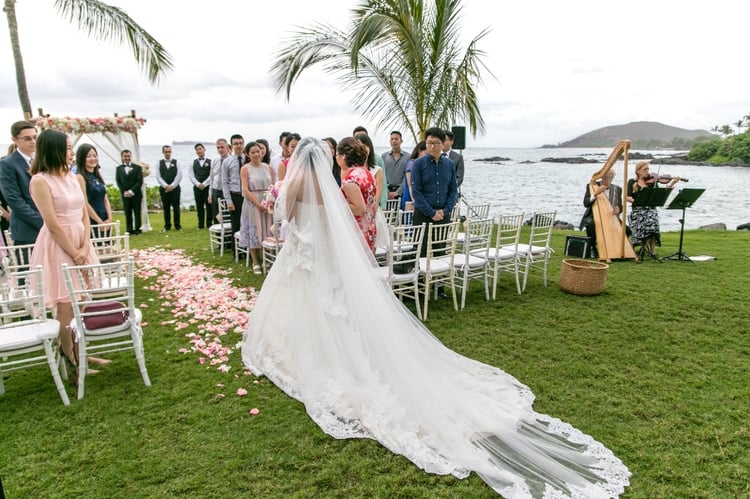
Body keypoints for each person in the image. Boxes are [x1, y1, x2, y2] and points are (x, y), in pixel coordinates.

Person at [241, 136, 631, 499]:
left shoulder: (293, 186)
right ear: (324, 159)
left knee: (307, 305)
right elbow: (337, 221)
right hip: (324, 254)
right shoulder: (329, 188)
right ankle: (332, 349)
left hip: (302, 253)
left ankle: (308, 352)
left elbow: (287, 218)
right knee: (333, 308)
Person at [28, 129, 105, 380]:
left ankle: (79, 349)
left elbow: (84, 212)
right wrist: (73, 252)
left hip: (81, 239)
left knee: (81, 301)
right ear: (54, 150)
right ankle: (69, 357)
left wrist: (84, 247)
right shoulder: (40, 181)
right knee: (65, 306)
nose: (72, 152)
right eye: (69, 148)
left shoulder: (74, 178)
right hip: (58, 245)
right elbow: (52, 223)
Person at [410, 127, 458, 257]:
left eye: (435, 143)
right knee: (420, 251)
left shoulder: (449, 164)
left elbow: (453, 189)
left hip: (443, 214)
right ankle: (420, 277)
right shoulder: (418, 164)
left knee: (440, 250)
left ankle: (437, 277)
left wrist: (446, 210)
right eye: (429, 142)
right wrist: (431, 213)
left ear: (442, 144)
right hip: (423, 215)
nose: (431, 146)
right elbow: (416, 191)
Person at [0, 120, 43, 247]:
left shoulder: (40, 161)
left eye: (35, 137)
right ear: (15, 139)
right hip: (26, 230)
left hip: (50, 225)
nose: (33, 141)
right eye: (27, 138)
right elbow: (14, 200)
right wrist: (42, 221)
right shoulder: (7, 164)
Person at [627, 161, 680, 258]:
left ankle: (652, 251)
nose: (647, 171)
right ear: (638, 171)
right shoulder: (632, 182)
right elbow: (627, 197)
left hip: (651, 209)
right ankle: (642, 248)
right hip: (638, 211)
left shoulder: (652, 183)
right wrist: (638, 201)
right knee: (645, 223)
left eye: (648, 169)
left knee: (652, 222)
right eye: (645, 169)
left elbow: (661, 193)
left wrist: (672, 182)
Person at [336, 137, 378, 252]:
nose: (336, 158)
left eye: (337, 155)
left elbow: (359, 208)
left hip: (356, 231)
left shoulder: (350, 180)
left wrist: (335, 205)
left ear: (343, 156)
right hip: (369, 227)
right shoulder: (366, 173)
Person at [238, 141, 274, 274]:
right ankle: (255, 261)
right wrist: (258, 204)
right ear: (248, 154)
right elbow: (245, 190)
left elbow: (274, 186)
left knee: (268, 230)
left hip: (268, 201)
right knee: (253, 230)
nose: (256, 154)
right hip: (252, 203)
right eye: (253, 152)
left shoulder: (268, 167)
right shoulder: (245, 169)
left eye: (258, 151)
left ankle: (268, 259)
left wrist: (271, 201)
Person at [579, 169, 625, 259]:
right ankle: (593, 248)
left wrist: (619, 209)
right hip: (593, 215)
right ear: (602, 176)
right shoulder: (591, 186)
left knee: (626, 230)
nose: (609, 180)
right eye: (607, 177)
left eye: (611, 178)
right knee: (590, 224)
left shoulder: (617, 189)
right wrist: (595, 194)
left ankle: (616, 249)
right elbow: (586, 203)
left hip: (611, 217)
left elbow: (620, 205)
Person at [75, 144, 112, 233]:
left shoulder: (97, 176)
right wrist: (98, 221)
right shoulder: (80, 177)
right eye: (88, 156)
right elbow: (84, 202)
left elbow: (105, 199)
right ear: (82, 158)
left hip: (104, 218)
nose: (92, 159)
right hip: (91, 220)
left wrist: (109, 218)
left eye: (94, 155)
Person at [222, 134, 245, 246]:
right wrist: (228, 201)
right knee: (236, 224)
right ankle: (236, 250)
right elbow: (225, 182)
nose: (239, 146)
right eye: (236, 144)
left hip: (247, 195)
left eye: (240, 143)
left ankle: (248, 250)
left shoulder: (248, 159)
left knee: (247, 223)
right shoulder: (227, 162)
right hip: (235, 195)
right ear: (231, 146)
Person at [115, 149, 143, 235]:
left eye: (128, 156)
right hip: (125, 194)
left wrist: (131, 191)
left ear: (131, 156)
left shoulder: (137, 168)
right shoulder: (118, 168)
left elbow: (139, 181)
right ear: (122, 157)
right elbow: (118, 181)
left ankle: (138, 229)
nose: (127, 158)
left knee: (137, 212)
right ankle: (129, 229)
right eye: (125, 156)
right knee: (127, 212)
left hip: (136, 194)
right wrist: (124, 192)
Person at [156, 145, 182, 231]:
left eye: (169, 152)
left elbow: (179, 175)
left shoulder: (176, 162)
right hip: (164, 189)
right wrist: (165, 186)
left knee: (176, 207)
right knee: (166, 208)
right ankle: (167, 226)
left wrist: (172, 186)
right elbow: (158, 176)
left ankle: (177, 226)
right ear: (163, 152)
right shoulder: (159, 163)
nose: (168, 153)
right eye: (166, 152)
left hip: (175, 189)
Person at [188, 143, 212, 229]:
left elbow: (211, 175)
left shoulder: (210, 162)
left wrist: (205, 184)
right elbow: (191, 175)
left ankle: (209, 224)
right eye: (197, 149)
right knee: (199, 206)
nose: (199, 151)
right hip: (197, 188)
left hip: (208, 187)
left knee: (209, 206)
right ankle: (200, 224)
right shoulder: (193, 163)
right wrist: (198, 184)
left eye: (200, 149)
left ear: (204, 149)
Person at [207, 138, 229, 225]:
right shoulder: (215, 161)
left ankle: (227, 237)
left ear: (227, 147)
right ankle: (219, 237)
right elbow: (212, 178)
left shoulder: (231, 160)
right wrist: (210, 194)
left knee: (227, 216)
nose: (220, 150)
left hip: (227, 192)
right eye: (218, 148)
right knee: (216, 216)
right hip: (216, 191)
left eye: (222, 147)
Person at [381, 130, 409, 201]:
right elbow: (382, 175)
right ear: (389, 141)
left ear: (401, 141)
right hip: (386, 192)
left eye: (396, 139)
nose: (394, 141)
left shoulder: (408, 156)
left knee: (401, 212)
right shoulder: (384, 156)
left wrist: (398, 192)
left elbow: (407, 176)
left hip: (402, 192)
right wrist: (386, 191)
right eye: (392, 139)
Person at [400, 141, 427, 211]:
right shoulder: (411, 163)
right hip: (410, 196)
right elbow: (410, 184)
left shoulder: (424, 164)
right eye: (426, 153)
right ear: (419, 151)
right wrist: (414, 200)